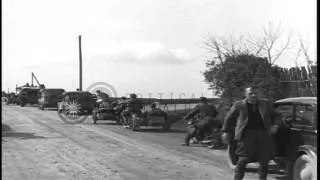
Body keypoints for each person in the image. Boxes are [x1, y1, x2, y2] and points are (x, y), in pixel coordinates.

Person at [221, 86, 282, 180]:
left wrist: (275, 126)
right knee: (243, 160)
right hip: (246, 136)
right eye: (251, 93)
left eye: (256, 93)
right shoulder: (239, 105)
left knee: (264, 162)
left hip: (264, 135)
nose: (253, 95)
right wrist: (225, 132)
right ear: (246, 94)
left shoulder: (265, 104)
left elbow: (277, 116)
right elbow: (228, 118)